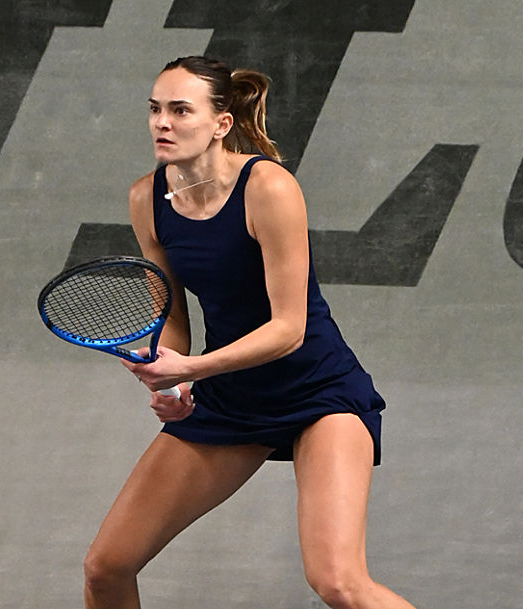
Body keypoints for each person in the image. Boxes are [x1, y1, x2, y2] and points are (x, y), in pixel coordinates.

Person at [80, 56, 417, 609]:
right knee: (106, 568)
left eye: (180, 110)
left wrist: (190, 369)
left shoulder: (268, 187)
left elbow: (288, 330)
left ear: (220, 123)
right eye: (155, 109)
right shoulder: (148, 199)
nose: (162, 123)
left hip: (318, 392)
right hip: (233, 398)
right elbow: (175, 320)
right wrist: (173, 380)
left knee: (339, 582)